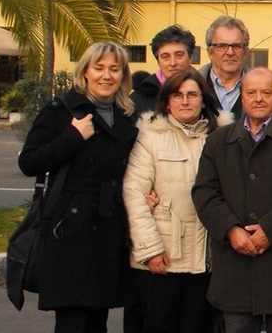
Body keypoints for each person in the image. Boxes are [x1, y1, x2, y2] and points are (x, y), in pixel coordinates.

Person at [17, 42, 140, 333]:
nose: (106, 76)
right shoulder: (63, 110)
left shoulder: (125, 115)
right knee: (73, 320)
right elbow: (29, 161)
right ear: (85, 72)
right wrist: (73, 136)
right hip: (69, 230)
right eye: (99, 68)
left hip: (109, 229)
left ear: (123, 75)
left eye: (114, 69)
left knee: (98, 320)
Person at [193, 67, 272, 333]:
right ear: (242, 97)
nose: (259, 98)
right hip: (235, 265)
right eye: (251, 92)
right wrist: (230, 230)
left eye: (266, 92)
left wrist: (270, 231)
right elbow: (205, 193)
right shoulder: (218, 142)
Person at [123, 68, 230, 333]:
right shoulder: (150, 137)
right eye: (177, 95)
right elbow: (134, 193)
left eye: (192, 95)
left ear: (203, 100)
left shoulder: (220, 139)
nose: (185, 101)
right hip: (162, 260)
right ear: (167, 101)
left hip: (205, 262)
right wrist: (150, 250)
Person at [132, 25, 198, 118]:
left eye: (179, 55)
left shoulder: (206, 93)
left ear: (190, 57)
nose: (173, 63)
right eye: (165, 57)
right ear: (158, 61)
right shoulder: (137, 101)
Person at [200, 15, 251, 116]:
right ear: (210, 53)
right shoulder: (191, 89)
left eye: (236, 46)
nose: (230, 52)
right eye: (222, 46)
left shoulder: (264, 91)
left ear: (245, 52)